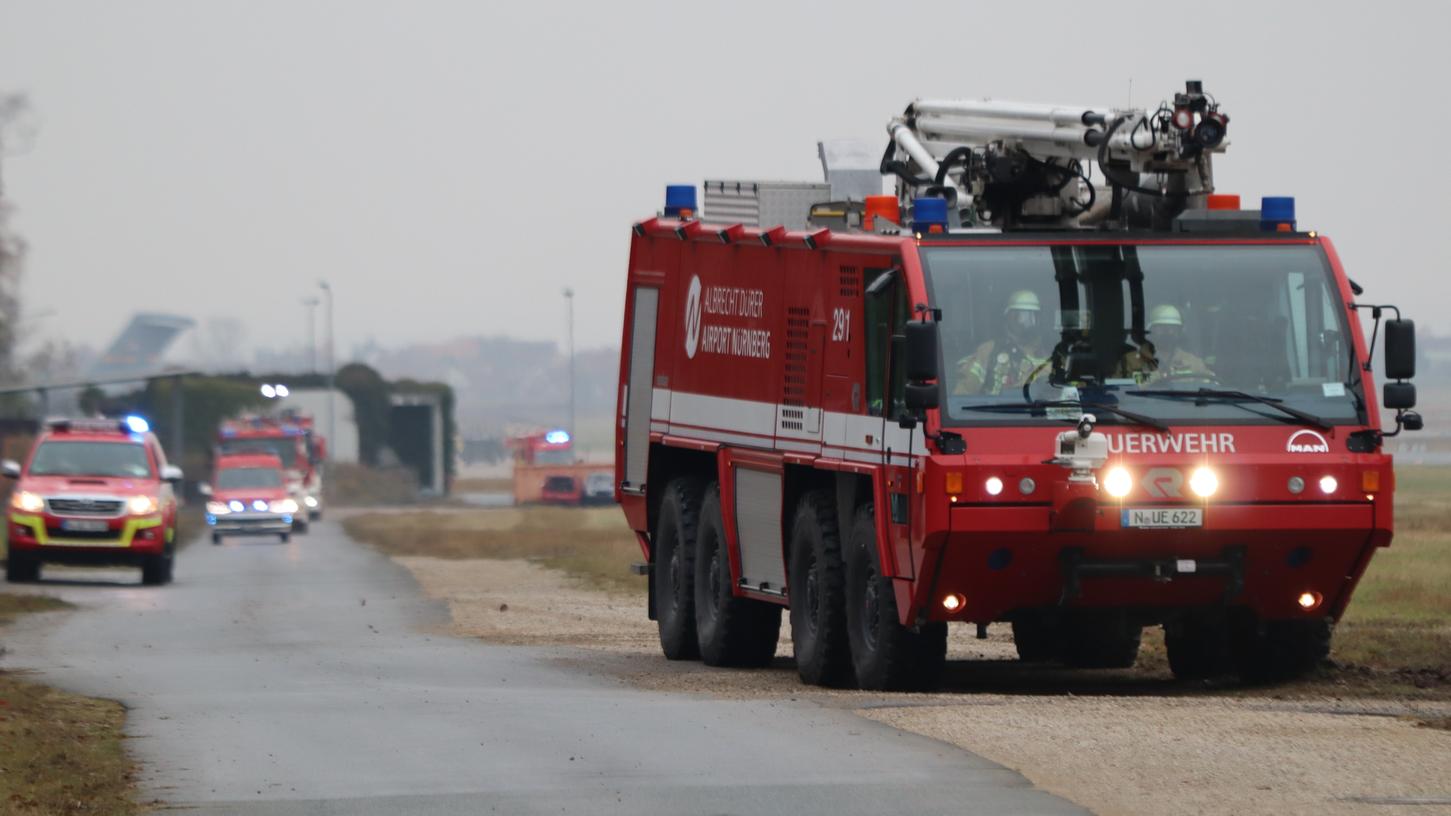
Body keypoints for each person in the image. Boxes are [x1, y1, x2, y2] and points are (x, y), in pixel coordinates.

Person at [954, 290, 1051, 395]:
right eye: (1018, 316)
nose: (1024, 323)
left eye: (1031, 317)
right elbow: (963, 395)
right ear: (1008, 318)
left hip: (1036, 410)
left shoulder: (1051, 354)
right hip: (995, 410)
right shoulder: (988, 350)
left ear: (1039, 319)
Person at [1121, 304, 1214, 384]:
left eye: (1172, 328)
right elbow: (1119, 389)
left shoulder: (1193, 362)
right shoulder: (1130, 361)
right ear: (1151, 330)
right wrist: (1155, 376)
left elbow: (1210, 384)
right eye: (1161, 328)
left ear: (1180, 332)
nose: (1168, 332)